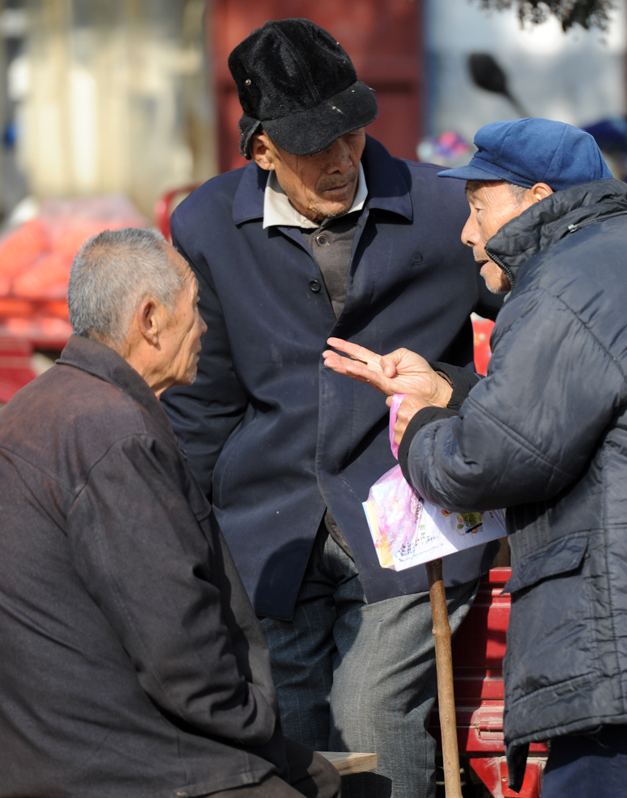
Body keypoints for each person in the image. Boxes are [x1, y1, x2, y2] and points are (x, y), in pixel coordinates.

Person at [325, 118, 627, 798]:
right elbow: (598, 414)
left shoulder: (565, 285)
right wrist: (450, 391)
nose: (467, 233)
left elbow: (483, 465)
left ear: (537, 198)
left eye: (477, 207)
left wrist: (420, 426)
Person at [159, 19, 500, 798]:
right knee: (293, 724)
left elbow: (539, 328)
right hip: (270, 522)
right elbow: (203, 401)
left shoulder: (448, 211)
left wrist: (461, 397)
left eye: (352, 132)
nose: (343, 157)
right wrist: (186, 534)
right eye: (316, 144)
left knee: (372, 710)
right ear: (262, 149)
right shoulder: (206, 225)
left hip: (413, 509)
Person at [0, 228, 339, 798]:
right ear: (150, 320)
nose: (204, 327)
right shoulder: (113, 434)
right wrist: (254, 723)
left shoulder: (42, 409)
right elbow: (180, 646)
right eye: (195, 309)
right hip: (119, 771)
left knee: (321, 773)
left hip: (42, 759)